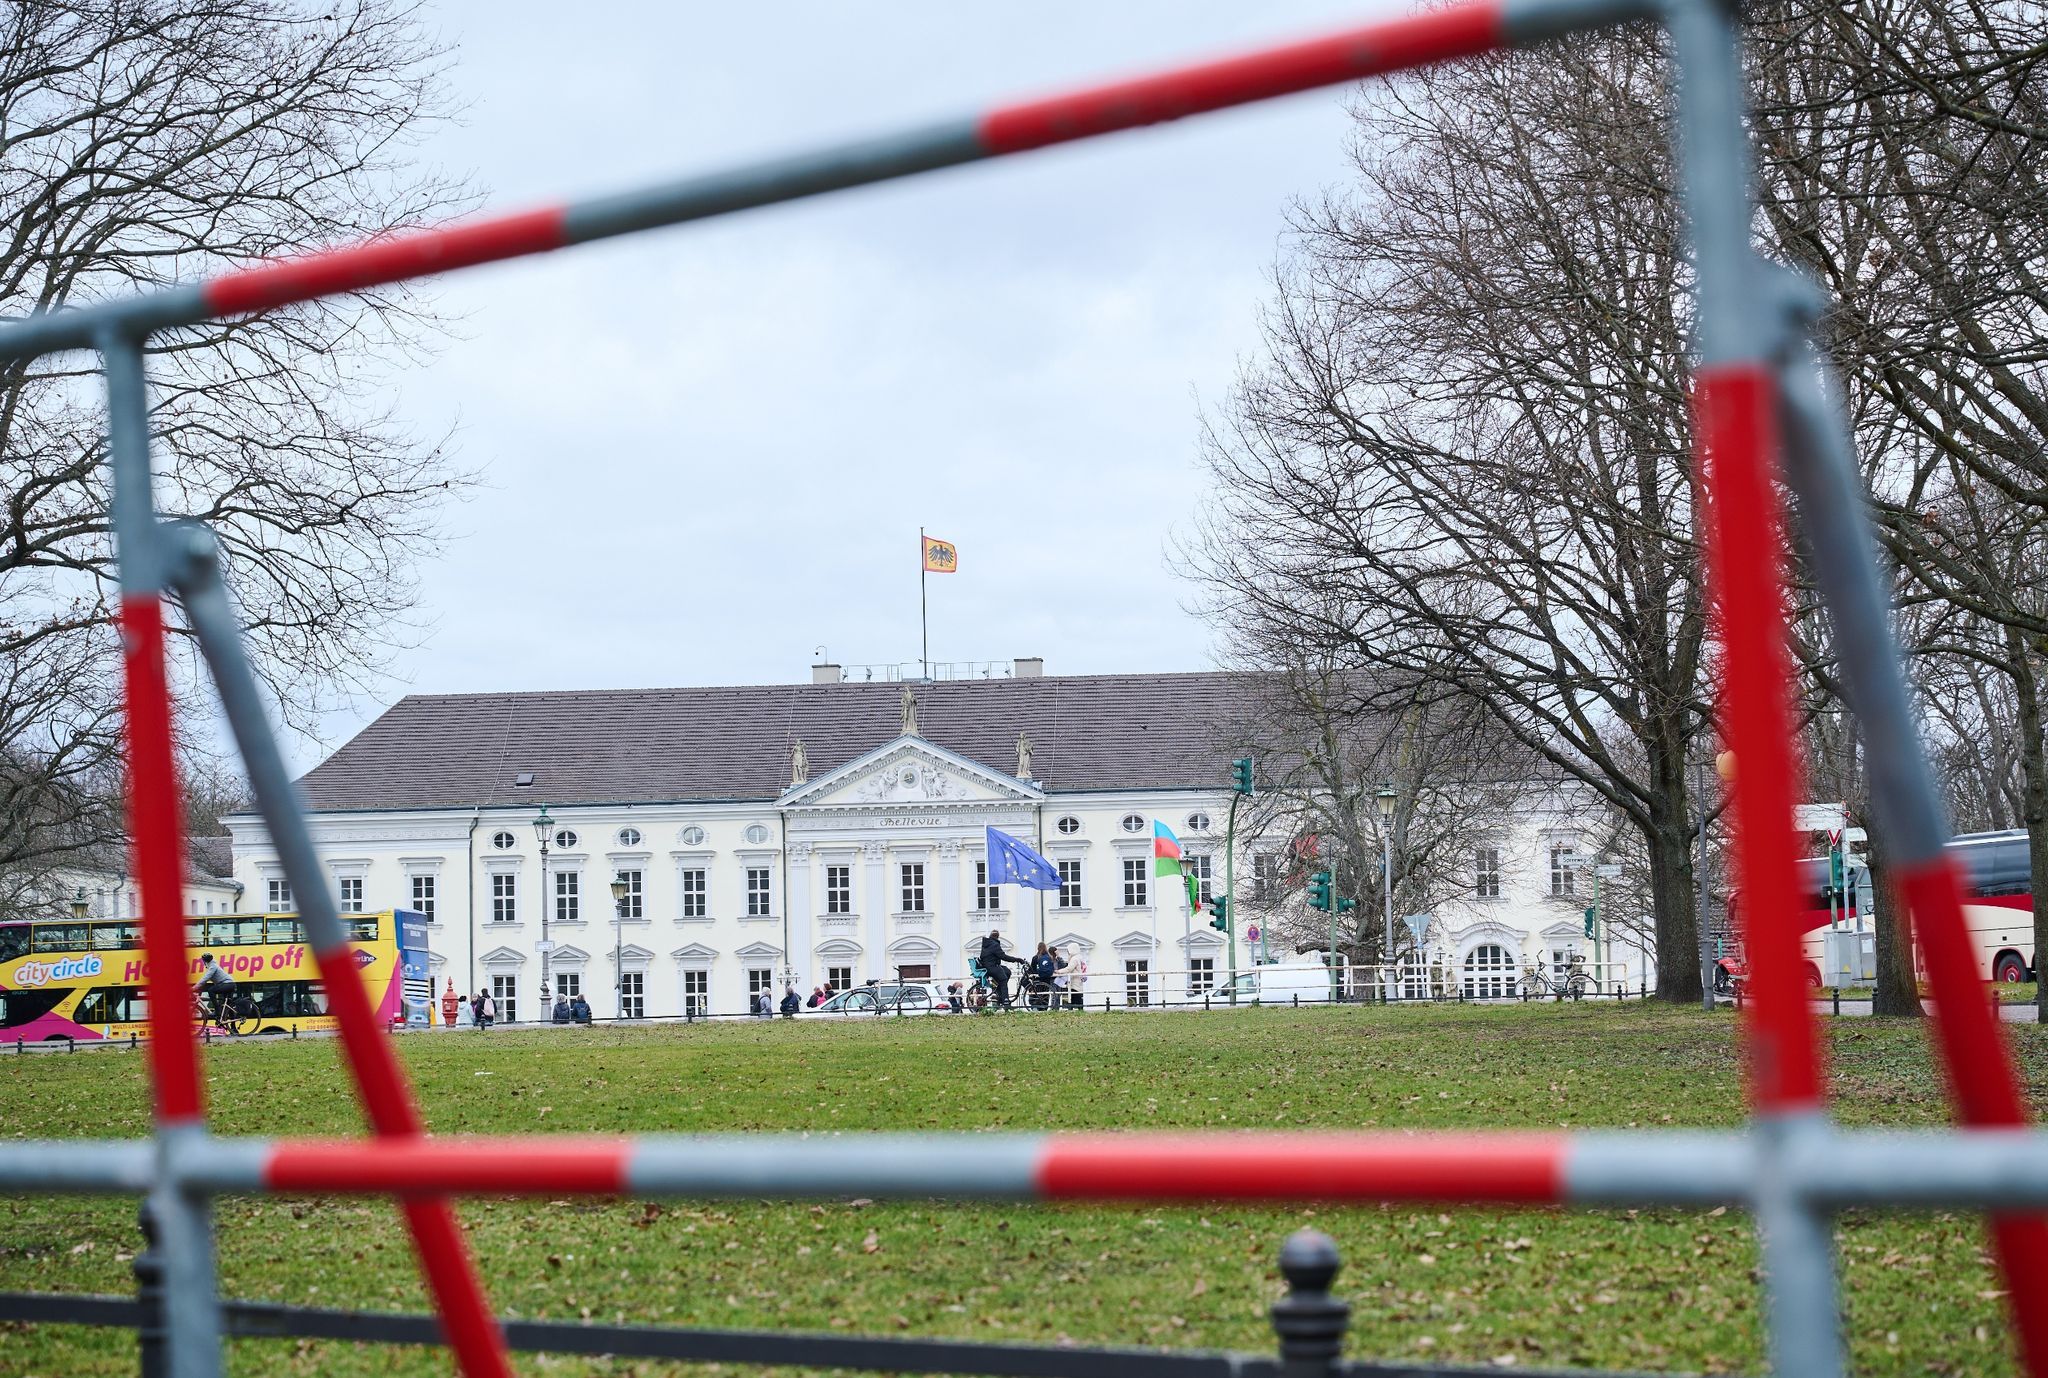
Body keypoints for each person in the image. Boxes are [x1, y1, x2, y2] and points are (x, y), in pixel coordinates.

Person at [977, 930, 1023, 1009]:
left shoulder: (987, 943)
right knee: (1003, 979)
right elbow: (1003, 956)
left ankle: (1000, 992)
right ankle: (1005, 1001)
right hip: (992, 967)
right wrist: (1017, 959)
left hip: (989, 965)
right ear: (997, 937)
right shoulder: (994, 945)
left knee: (1007, 971)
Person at [193, 953, 235, 1020]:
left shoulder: (213, 967)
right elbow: (204, 981)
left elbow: (205, 979)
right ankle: (233, 1028)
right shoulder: (212, 966)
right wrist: (198, 987)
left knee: (211, 990)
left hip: (228, 984)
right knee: (228, 1006)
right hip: (229, 984)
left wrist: (194, 987)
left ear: (205, 961)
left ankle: (217, 1011)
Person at [1027, 942, 1057, 1010]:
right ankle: (1045, 1008)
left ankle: (1036, 1008)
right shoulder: (1049, 957)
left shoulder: (1035, 958)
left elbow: (1032, 969)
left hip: (1038, 979)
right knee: (1045, 994)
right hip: (1047, 979)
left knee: (1037, 993)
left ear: (1038, 948)